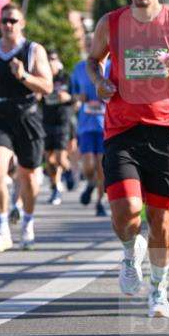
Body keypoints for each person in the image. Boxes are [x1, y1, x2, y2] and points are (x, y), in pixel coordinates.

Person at [86, 0, 169, 318]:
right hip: (122, 127)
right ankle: (128, 252)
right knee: (127, 211)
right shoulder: (112, 22)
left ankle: (159, 290)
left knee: (161, 218)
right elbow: (93, 60)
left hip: (167, 129)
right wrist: (99, 82)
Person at [0, 2, 53, 252]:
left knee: (28, 176)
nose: (8, 25)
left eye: (13, 20)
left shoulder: (33, 50)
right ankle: (1, 228)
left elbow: (47, 87)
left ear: (22, 24)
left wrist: (23, 76)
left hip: (27, 116)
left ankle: (28, 221)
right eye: (4, 21)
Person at [70, 32, 108, 216]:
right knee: (88, 166)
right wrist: (79, 98)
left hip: (106, 125)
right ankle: (91, 183)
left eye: (93, 43)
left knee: (101, 167)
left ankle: (100, 203)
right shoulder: (79, 68)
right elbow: (73, 94)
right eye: (87, 43)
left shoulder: (110, 66)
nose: (90, 46)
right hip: (86, 124)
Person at [41, 49, 74, 205]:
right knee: (49, 160)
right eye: (48, 60)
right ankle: (55, 189)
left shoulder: (65, 77)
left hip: (62, 121)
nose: (50, 63)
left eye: (53, 59)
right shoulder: (42, 77)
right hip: (46, 121)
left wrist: (68, 97)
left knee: (60, 158)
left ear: (58, 61)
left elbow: (76, 97)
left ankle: (69, 171)